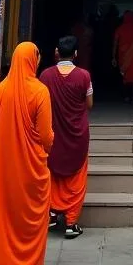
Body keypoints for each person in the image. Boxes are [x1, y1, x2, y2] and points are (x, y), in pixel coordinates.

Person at [0, 42, 54, 265]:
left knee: (7, 214)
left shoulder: (0, 90)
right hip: (30, 165)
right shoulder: (39, 91)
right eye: (37, 56)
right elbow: (45, 135)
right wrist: (48, 145)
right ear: (32, 60)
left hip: (5, 165)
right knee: (30, 216)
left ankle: (6, 264)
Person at [40, 35, 93, 240]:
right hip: (77, 133)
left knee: (53, 173)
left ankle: (52, 213)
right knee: (76, 178)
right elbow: (89, 105)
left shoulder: (45, 76)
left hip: (52, 133)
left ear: (56, 52)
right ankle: (71, 222)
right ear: (76, 54)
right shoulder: (84, 76)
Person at [113, 10, 133, 104]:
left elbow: (115, 44)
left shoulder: (120, 28)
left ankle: (126, 96)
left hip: (123, 56)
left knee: (125, 76)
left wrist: (113, 57)